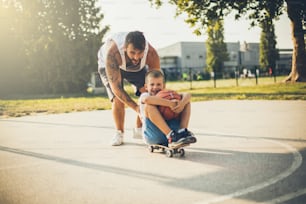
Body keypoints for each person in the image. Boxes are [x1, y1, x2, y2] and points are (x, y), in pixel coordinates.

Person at [97, 31, 160, 146]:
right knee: (117, 99)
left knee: (147, 93)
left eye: (140, 53)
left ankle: (139, 129)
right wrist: (136, 108)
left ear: (145, 49)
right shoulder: (112, 53)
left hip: (135, 69)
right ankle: (119, 132)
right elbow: (117, 88)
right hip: (109, 64)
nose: (136, 57)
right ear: (125, 48)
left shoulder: (151, 54)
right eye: (133, 52)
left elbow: (156, 84)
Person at [139, 70, 196, 148]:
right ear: (146, 87)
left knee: (186, 102)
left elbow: (188, 95)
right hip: (154, 134)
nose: (155, 87)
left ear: (164, 86)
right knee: (149, 106)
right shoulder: (145, 95)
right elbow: (147, 100)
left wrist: (181, 104)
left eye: (158, 84)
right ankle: (171, 136)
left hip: (173, 130)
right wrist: (171, 104)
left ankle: (182, 132)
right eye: (152, 84)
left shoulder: (167, 95)